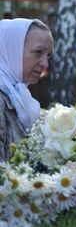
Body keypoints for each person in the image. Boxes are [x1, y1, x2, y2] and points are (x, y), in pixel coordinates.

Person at [0, 18, 54, 161]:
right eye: (38, 52)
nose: (45, 64)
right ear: (12, 50)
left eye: (48, 55)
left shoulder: (18, 94)